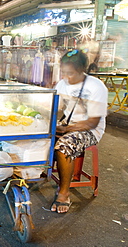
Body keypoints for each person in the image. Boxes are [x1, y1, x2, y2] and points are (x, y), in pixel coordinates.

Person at [52, 49, 108, 213]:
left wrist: (66, 129)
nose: (66, 78)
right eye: (64, 73)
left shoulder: (96, 87)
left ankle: (63, 193)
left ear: (82, 70)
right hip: (68, 124)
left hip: (90, 130)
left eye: (71, 73)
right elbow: (56, 108)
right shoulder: (62, 84)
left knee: (64, 145)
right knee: (41, 137)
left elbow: (92, 122)